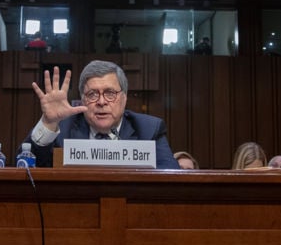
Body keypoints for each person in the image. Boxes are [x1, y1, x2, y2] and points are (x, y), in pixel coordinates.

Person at [25, 61, 179, 168]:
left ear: (124, 98)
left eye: (110, 93)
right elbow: (24, 166)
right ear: (82, 100)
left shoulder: (148, 129)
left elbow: (171, 179)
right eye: (92, 94)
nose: (101, 102)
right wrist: (49, 123)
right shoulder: (61, 129)